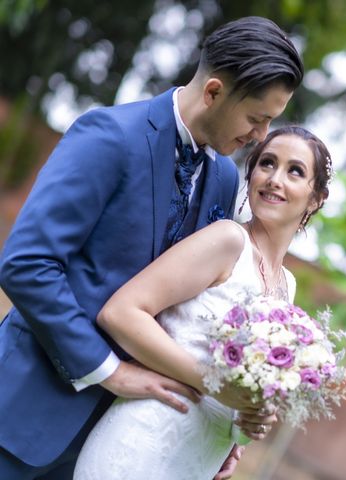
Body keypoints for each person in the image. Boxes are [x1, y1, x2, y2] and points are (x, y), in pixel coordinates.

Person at [0, 16, 303, 480]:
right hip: (24, 412)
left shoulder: (223, 179)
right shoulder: (109, 136)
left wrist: (223, 430)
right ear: (215, 92)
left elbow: (190, 309)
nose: (260, 136)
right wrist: (107, 370)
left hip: (117, 439)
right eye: (256, 118)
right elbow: (27, 264)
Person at [71, 126, 333, 479]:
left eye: (295, 171)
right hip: (142, 443)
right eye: (267, 164)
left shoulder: (288, 285)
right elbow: (121, 312)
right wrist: (216, 387)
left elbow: (238, 389)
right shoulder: (227, 240)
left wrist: (246, 426)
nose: (274, 179)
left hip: (197, 461)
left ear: (316, 197)